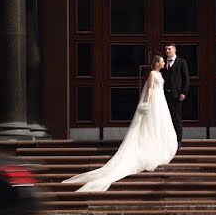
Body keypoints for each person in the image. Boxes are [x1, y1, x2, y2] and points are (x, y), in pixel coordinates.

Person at [61, 54, 178, 192]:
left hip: (161, 102)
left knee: (158, 125)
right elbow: (150, 89)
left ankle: (157, 146)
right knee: (150, 125)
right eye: (162, 61)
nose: (164, 62)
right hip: (154, 102)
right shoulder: (153, 73)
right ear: (157, 63)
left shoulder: (160, 74)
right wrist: (146, 103)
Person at [161, 43, 189, 147]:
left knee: (176, 117)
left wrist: (184, 92)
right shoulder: (163, 62)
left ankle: (178, 139)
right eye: (166, 49)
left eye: (169, 49)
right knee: (166, 117)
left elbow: (186, 78)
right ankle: (167, 139)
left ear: (174, 50)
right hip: (164, 95)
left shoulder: (181, 62)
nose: (167, 51)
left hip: (177, 94)